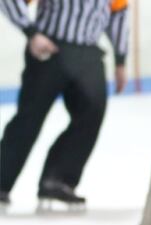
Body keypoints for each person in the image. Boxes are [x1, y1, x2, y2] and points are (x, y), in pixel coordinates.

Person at [0, 0, 130, 212]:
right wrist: (31, 32)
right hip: (50, 48)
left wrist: (121, 60)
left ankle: (57, 180)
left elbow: (118, 14)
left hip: (88, 53)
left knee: (92, 113)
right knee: (29, 119)